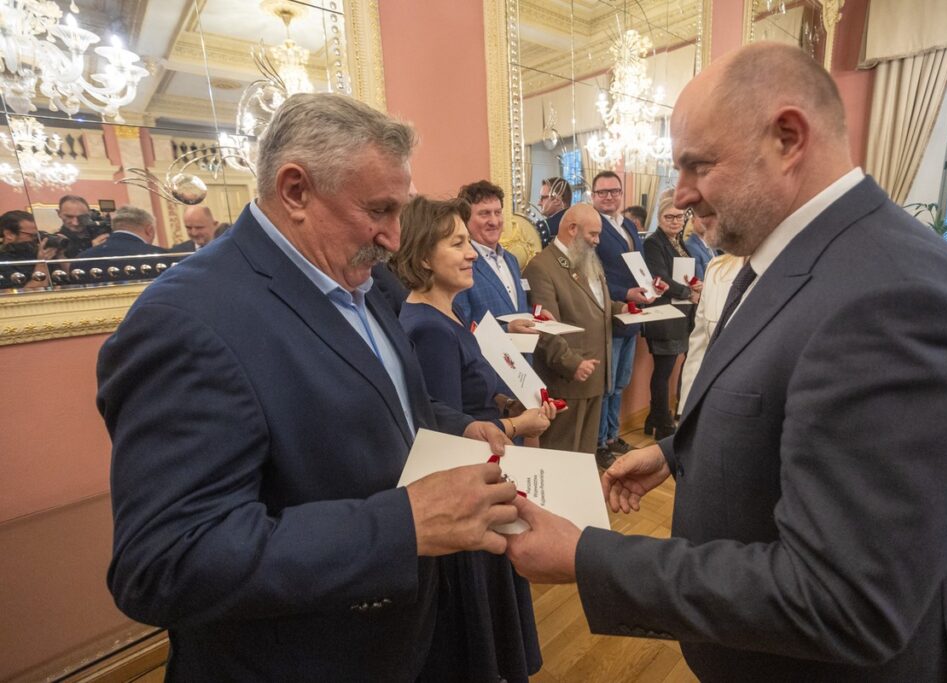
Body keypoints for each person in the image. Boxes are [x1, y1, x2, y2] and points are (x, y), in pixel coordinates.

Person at [505, 42, 947, 682]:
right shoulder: (789, 260)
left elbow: (842, 599)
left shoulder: (899, 302)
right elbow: (778, 398)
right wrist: (673, 453)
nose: (681, 195)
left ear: (788, 137)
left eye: (697, 166)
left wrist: (589, 556)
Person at [97, 92, 520, 681]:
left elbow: (386, 403)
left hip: (404, 639)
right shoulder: (185, 320)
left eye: (401, 211)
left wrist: (457, 427)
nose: (396, 239)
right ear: (296, 190)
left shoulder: (368, 282)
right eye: (379, 210)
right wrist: (400, 526)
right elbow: (165, 561)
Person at [394, 194, 556, 682]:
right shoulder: (429, 328)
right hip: (469, 490)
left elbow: (468, 394)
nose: (471, 253)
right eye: (457, 243)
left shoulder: (448, 314)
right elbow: (443, 434)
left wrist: (508, 405)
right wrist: (517, 427)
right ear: (424, 256)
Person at [524, 204, 638, 464]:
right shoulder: (542, 267)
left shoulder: (588, 261)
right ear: (572, 229)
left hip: (595, 375)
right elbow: (543, 327)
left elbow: (600, 306)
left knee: (584, 455)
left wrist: (625, 309)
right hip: (566, 380)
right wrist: (572, 363)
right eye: (593, 235)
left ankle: (578, 501)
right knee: (562, 456)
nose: (598, 241)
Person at [591, 170, 653, 463]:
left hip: (633, 316)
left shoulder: (628, 224)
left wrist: (652, 285)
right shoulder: (592, 227)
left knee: (619, 384)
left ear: (621, 194)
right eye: (602, 192)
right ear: (593, 196)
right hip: (609, 316)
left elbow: (638, 267)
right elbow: (594, 277)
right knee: (606, 386)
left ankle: (614, 435)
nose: (609, 197)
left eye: (614, 191)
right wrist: (626, 292)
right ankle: (600, 442)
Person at [641, 192, 700, 440]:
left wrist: (696, 285)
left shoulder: (678, 242)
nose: (675, 221)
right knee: (663, 372)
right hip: (663, 316)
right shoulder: (654, 242)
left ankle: (653, 419)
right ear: (659, 217)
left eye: (679, 217)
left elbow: (685, 273)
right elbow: (660, 278)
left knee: (666, 370)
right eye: (669, 217)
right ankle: (663, 425)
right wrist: (688, 292)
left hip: (679, 315)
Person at [453, 180, 542, 335]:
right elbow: (461, 330)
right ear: (465, 219)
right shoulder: (461, 264)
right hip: (486, 359)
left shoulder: (511, 260)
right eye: (484, 213)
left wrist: (538, 317)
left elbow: (517, 310)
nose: (494, 222)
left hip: (524, 358)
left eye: (498, 212)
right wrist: (506, 330)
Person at [677, 253, 744, 411]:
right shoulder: (716, 267)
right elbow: (699, 346)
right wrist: (687, 407)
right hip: (713, 407)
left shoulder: (787, 266)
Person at [0, 210, 55, 289]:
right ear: (9, 234)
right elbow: (24, 296)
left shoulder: (35, 252)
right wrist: (41, 264)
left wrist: (61, 254)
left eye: (36, 235)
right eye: (31, 235)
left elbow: (70, 284)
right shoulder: (3, 262)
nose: (35, 239)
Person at [535, 176, 571, 247]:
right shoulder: (580, 223)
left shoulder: (544, 227)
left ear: (557, 200)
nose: (539, 203)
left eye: (543, 198)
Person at [684, 212, 718, 280]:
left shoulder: (711, 246)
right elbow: (700, 280)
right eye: (702, 217)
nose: (705, 221)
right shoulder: (690, 247)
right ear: (693, 220)